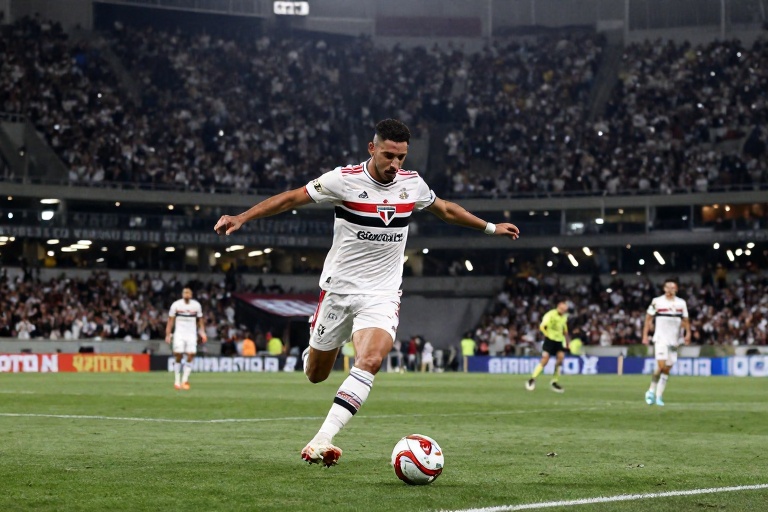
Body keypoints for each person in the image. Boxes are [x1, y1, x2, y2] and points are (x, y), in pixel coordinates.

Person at [214, 119, 520, 467]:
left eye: (401, 157)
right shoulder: (343, 180)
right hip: (338, 292)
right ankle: (313, 344)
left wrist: (491, 227)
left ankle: (322, 439)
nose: (395, 164)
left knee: (370, 360)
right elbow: (291, 198)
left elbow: (447, 210)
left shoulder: (412, 185)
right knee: (316, 374)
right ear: (372, 148)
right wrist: (243, 217)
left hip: (382, 293)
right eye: (389, 155)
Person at [642, 278, 690, 406]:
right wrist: (645, 335)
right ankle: (651, 391)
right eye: (667, 287)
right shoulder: (657, 301)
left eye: (672, 287)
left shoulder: (681, 303)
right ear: (664, 289)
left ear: (676, 289)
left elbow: (685, 320)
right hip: (660, 339)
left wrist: (688, 333)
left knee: (667, 368)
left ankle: (658, 396)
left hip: (674, 341)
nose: (670, 289)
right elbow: (648, 318)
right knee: (662, 365)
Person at [165, 287, 207, 390]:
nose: (186, 294)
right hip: (179, 333)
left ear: (191, 295)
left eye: (188, 292)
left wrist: (202, 332)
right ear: (182, 294)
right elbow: (170, 321)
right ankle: (177, 381)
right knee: (178, 354)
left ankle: (185, 380)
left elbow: (200, 320)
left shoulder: (196, 305)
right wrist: (168, 334)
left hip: (191, 333)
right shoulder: (176, 305)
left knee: (191, 354)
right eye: (185, 292)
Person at [526, 300, 570, 393]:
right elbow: (542, 326)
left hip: (559, 341)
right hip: (550, 340)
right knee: (545, 359)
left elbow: (565, 330)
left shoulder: (564, 317)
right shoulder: (550, 314)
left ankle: (554, 381)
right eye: (562, 308)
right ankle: (532, 379)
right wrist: (547, 334)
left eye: (564, 309)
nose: (563, 311)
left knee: (560, 358)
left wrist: (567, 341)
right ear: (558, 306)